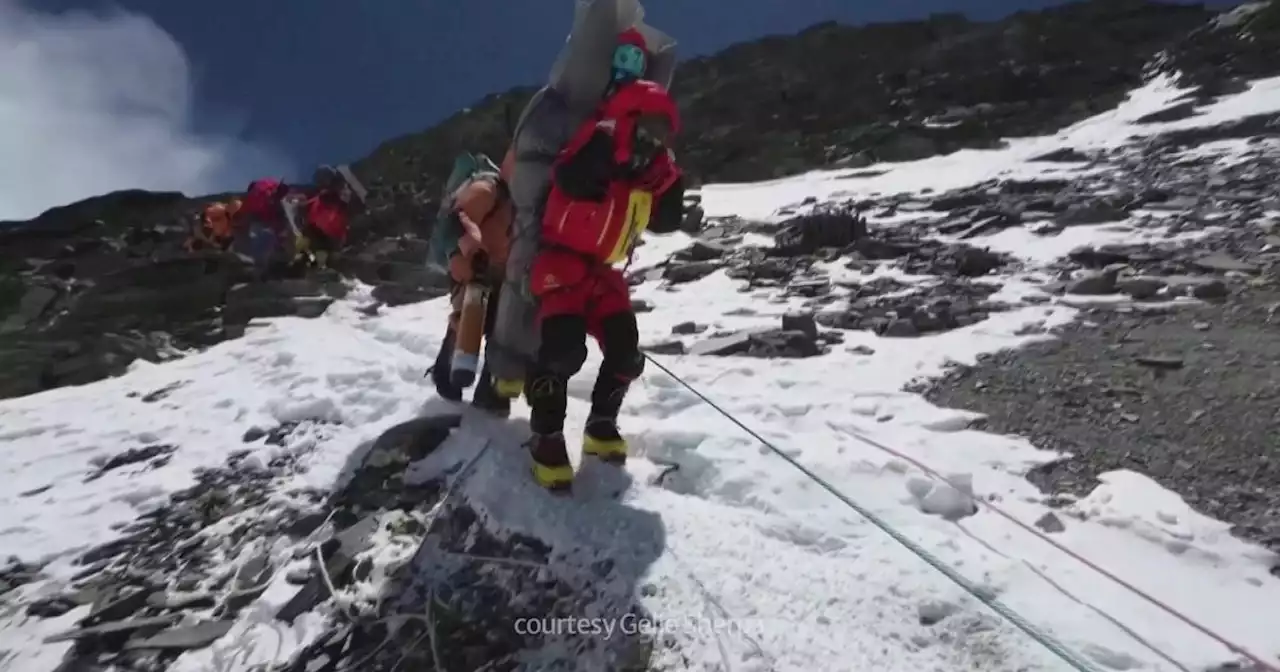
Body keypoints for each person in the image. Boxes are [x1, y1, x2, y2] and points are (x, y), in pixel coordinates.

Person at [486, 6, 678, 410]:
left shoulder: (632, 122)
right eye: (621, 58)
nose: (627, 69)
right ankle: (504, 374)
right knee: (525, 277)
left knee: (563, 315)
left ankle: (539, 384)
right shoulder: (565, 106)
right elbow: (536, 151)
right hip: (547, 216)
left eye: (636, 62)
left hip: (589, 243)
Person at [523, 77, 686, 491]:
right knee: (562, 351)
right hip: (560, 262)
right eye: (648, 125)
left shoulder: (650, 172)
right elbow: (572, 178)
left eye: (663, 131)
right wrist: (609, 152)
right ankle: (546, 434)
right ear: (628, 118)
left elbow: (668, 220)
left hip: (603, 273)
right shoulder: (595, 140)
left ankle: (600, 426)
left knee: (626, 353)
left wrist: (668, 178)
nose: (654, 138)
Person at [427, 158, 515, 416]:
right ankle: (445, 378)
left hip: (500, 276)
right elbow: (456, 221)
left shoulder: (524, 203)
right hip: (471, 270)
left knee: (501, 330)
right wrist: (470, 252)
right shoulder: (488, 189)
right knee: (468, 324)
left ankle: (489, 396)